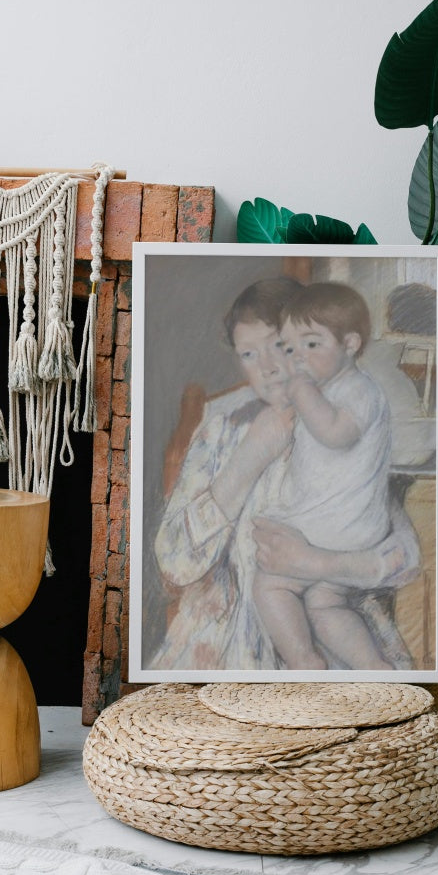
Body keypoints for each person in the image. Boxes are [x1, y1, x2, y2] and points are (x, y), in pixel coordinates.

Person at [149, 276, 419, 672]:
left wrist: (317, 563)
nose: (270, 368)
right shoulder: (222, 427)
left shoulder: (345, 416)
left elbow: (406, 557)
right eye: (248, 354)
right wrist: (249, 457)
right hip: (227, 647)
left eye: (278, 346)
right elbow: (173, 563)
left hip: (332, 634)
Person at [252, 282, 396, 670]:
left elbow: (335, 433)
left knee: (270, 582)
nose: (298, 357)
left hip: (337, 526)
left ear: (350, 344)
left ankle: (302, 659)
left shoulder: (359, 389)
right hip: (351, 527)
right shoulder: (333, 387)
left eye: (312, 344)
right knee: (325, 602)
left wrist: (300, 389)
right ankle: (372, 667)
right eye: (290, 347)